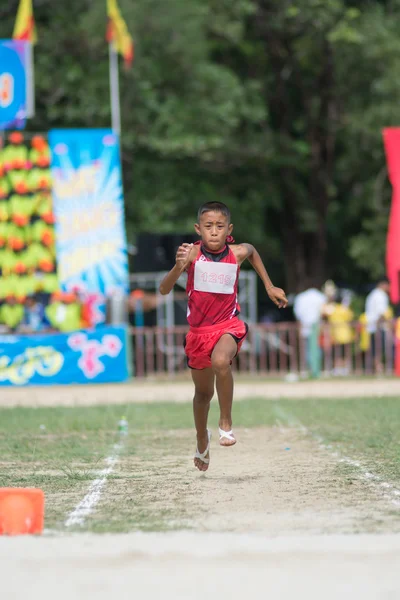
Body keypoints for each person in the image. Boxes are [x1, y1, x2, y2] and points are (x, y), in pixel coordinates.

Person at [159, 201, 287, 471]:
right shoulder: (191, 254)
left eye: (219, 226)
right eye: (208, 227)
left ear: (229, 229)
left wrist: (269, 285)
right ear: (198, 229)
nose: (214, 232)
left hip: (228, 325)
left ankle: (225, 423)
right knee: (202, 394)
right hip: (198, 333)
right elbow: (163, 290)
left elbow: (252, 251)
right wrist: (178, 267)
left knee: (221, 362)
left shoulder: (237, 252)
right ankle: (201, 438)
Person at [293, 285, 326, 375]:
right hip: (317, 326)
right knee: (316, 349)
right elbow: (323, 312)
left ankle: (309, 369)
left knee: (307, 350)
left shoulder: (300, 297)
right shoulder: (320, 296)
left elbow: (298, 314)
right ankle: (315, 370)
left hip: (305, 325)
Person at [365, 277, 391, 373]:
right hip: (378, 327)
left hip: (372, 326)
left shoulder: (372, 294)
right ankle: (378, 368)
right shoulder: (380, 295)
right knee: (378, 349)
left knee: (374, 349)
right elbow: (381, 313)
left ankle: (375, 368)